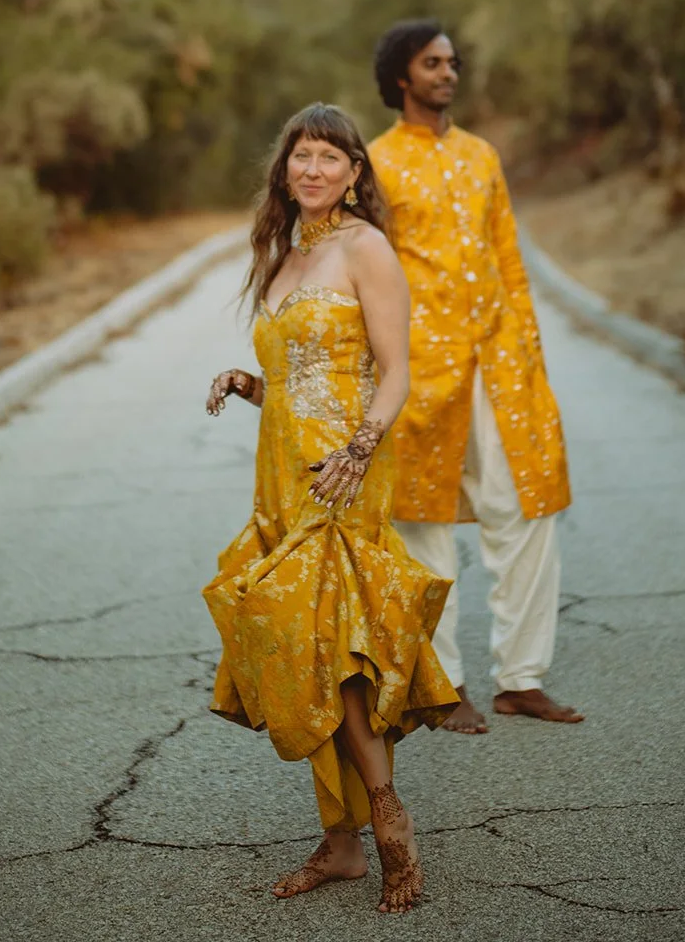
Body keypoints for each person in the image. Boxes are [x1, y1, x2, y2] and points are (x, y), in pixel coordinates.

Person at [203, 102, 458, 913]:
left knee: (341, 654)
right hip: (282, 476)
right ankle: (340, 843)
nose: (311, 169)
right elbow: (300, 377)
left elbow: (393, 371)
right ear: (283, 170)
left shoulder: (365, 247)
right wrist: (250, 385)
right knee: (306, 651)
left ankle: (387, 819)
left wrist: (358, 450)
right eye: (300, 156)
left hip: (344, 475)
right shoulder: (283, 254)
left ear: (353, 173)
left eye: (328, 157)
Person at [368, 21, 583, 735]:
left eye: (453, 62)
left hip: (499, 359)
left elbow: (508, 259)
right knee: (421, 523)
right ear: (402, 75)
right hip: (421, 369)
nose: (448, 73)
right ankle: (444, 683)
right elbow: (370, 269)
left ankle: (521, 679)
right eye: (432, 63)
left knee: (525, 508)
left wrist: (526, 347)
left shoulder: (480, 155)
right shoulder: (377, 164)